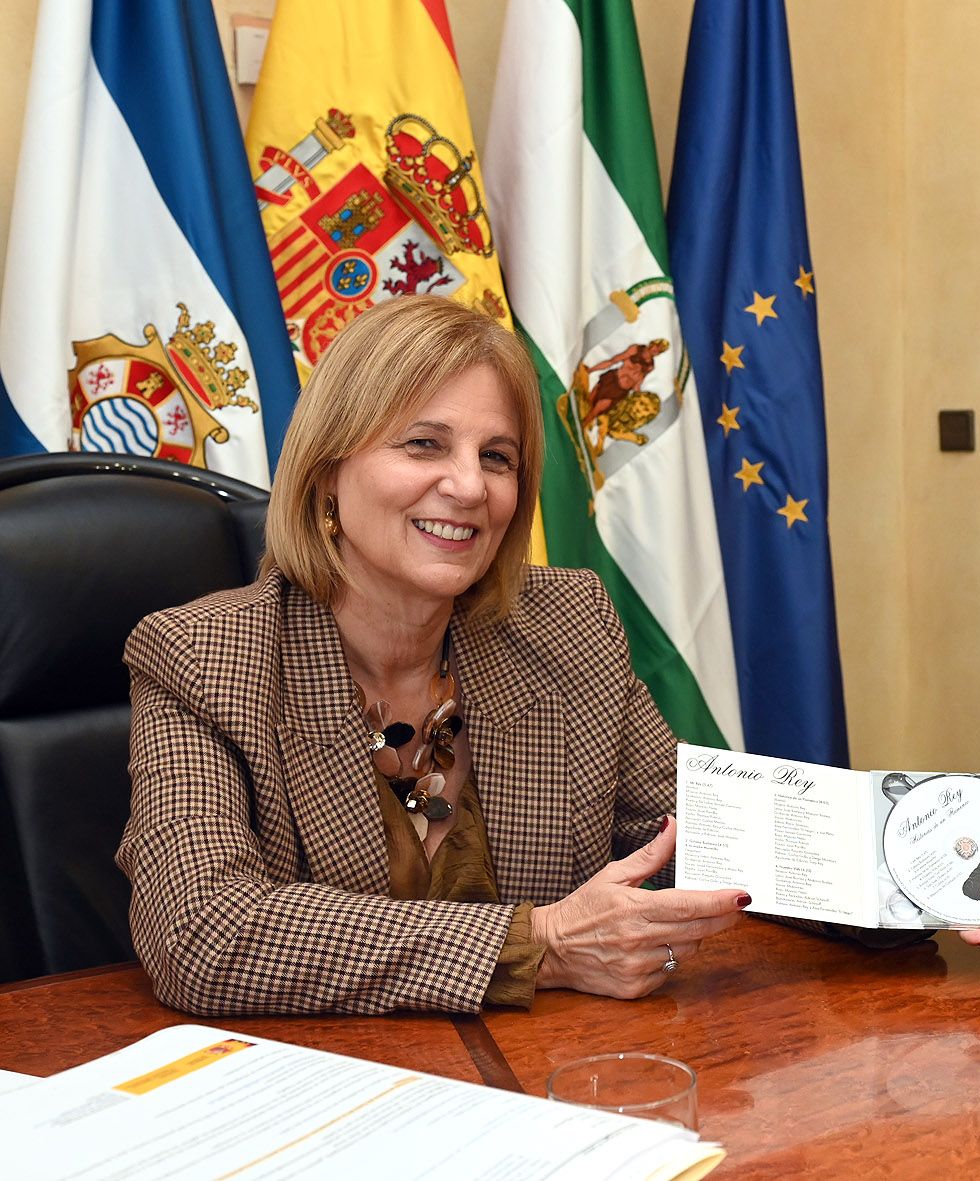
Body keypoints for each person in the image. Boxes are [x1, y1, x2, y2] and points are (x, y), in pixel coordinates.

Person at [117, 295, 749, 1016]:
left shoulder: (570, 623)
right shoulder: (204, 657)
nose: (470, 486)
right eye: (424, 444)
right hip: (330, 1091)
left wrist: (883, 854)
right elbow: (203, 934)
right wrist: (540, 941)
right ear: (328, 470)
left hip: (554, 1075)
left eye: (496, 457)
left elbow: (694, 844)